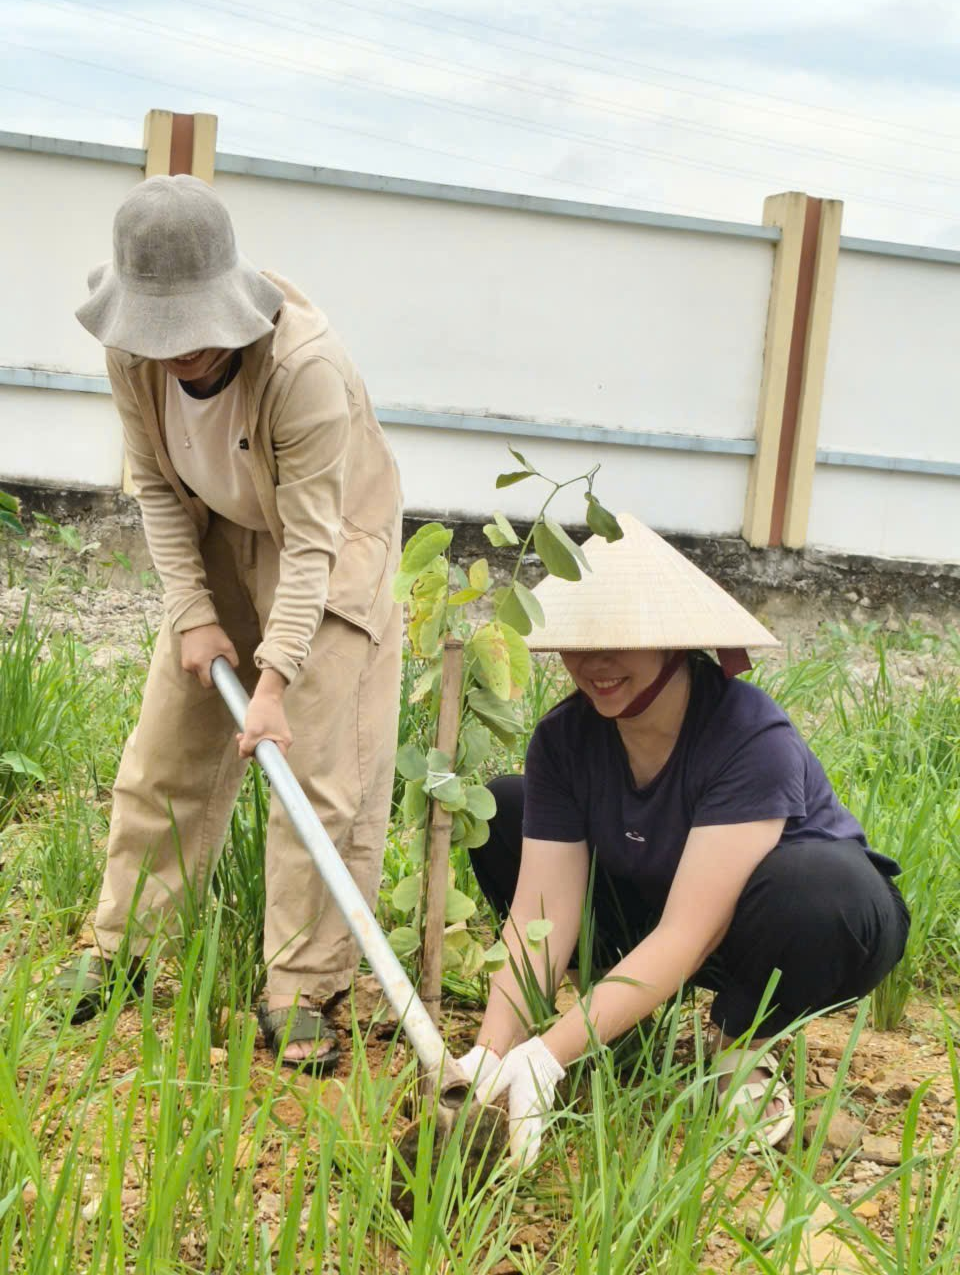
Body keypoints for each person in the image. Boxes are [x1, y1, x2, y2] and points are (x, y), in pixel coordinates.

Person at [57, 174, 403, 1072]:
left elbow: (315, 543)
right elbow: (158, 494)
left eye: (196, 332)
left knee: (319, 770)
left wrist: (277, 680)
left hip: (329, 539)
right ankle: (120, 946)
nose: (180, 353)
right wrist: (193, 616)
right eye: (160, 333)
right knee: (166, 744)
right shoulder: (131, 357)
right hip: (216, 521)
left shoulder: (304, 367)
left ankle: (301, 989)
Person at [457, 515, 909, 1161]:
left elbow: (688, 933)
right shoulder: (565, 739)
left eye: (622, 643)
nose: (595, 665)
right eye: (580, 642)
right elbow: (540, 913)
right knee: (503, 807)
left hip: (784, 930)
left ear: (675, 643)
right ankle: (613, 1011)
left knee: (821, 888)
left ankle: (741, 1047)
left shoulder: (749, 735)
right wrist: (492, 1052)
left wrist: (549, 1056)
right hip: (658, 910)